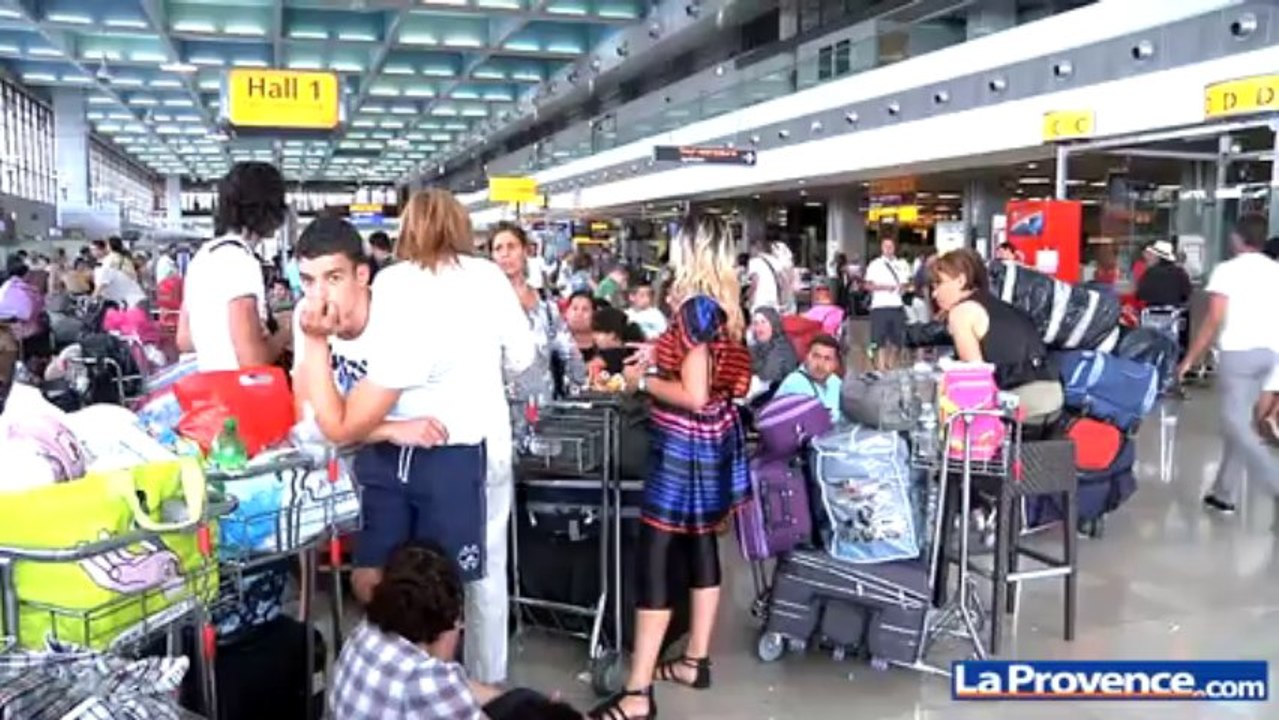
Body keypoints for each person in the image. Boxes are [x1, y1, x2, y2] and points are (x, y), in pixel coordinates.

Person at [298, 189, 534, 687]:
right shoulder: (487, 277)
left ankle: (399, 677)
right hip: (475, 439)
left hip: (397, 443)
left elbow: (356, 373)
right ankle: (482, 685)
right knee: (480, 574)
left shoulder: (389, 282)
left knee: (397, 570)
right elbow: (522, 357)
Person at [592, 215, 752, 720]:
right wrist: (659, 354)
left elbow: (694, 393)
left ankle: (637, 693)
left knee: (656, 558)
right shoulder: (726, 306)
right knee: (702, 544)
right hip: (715, 439)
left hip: (684, 445)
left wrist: (641, 381)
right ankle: (694, 661)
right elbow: (711, 375)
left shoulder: (694, 307)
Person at [1177, 214, 1279, 514]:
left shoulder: (1227, 271)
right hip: (1271, 354)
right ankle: (1224, 494)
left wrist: (1189, 360)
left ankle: (1275, 480)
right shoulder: (1275, 270)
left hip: (1239, 354)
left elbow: (1213, 320)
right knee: (1241, 423)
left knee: (1235, 423)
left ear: (1236, 238)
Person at [178, 162, 291, 371]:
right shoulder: (240, 262)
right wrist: (285, 331)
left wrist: (236, 334)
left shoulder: (203, 256)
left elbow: (184, 339)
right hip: (241, 387)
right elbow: (252, 361)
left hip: (210, 382)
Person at [929, 248, 1061, 419]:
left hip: (1023, 402)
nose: (934, 293)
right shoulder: (997, 305)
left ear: (961, 280)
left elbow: (974, 378)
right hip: (1054, 396)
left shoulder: (961, 312)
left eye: (939, 283)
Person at [489, 220, 587, 420]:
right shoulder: (483, 305)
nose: (505, 254)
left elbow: (568, 351)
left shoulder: (546, 305)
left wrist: (579, 389)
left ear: (525, 251)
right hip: (496, 413)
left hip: (543, 410)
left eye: (511, 246)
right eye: (498, 248)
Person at [864, 237, 911, 369]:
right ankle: (881, 366)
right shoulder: (875, 264)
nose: (888, 249)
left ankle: (891, 364)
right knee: (879, 340)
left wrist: (904, 288)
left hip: (897, 305)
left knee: (898, 339)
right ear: (881, 248)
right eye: (886, 246)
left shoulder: (902, 264)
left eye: (891, 246)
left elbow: (907, 283)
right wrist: (884, 287)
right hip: (880, 306)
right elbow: (867, 285)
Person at [775, 334, 843, 424]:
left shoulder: (835, 382)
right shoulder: (795, 383)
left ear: (835, 364)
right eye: (816, 356)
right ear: (806, 357)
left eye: (827, 359)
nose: (820, 364)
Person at [749, 307, 799, 397]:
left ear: (773, 324)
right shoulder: (756, 347)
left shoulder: (781, 347)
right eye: (756, 323)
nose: (759, 327)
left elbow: (768, 376)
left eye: (763, 322)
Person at [1135, 240, 1192, 308]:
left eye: (1150, 254)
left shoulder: (1150, 273)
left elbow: (1141, 294)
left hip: (1153, 310)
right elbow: (1186, 293)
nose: (1146, 257)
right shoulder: (1180, 272)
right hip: (1175, 310)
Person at [746, 238, 783, 314]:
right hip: (774, 301)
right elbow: (780, 281)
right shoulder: (775, 260)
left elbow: (755, 282)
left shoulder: (754, 261)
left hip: (760, 301)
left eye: (750, 249)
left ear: (754, 248)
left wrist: (749, 296)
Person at [564, 290, 598, 360]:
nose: (579, 314)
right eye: (575, 309)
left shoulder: (606, 346)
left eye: (585, 309)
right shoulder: (556, 346)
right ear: (566, 313)